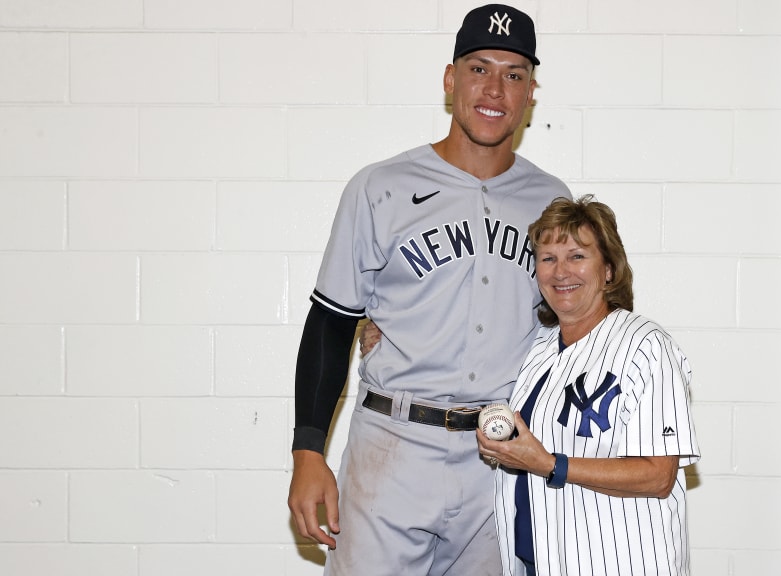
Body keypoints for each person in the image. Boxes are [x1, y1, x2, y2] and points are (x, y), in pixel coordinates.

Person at [286, 4, 570, 576]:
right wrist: (308, 451)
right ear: (450, 78)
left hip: (500, 458)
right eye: (479, 68)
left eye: (514, 74)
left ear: (531, 93)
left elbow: (572, 325)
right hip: (393, 447)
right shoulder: (381, 187)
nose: (495, 88)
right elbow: (331, 323)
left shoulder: (551, 199)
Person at [476, 195, 701, 576]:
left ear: (609, 269)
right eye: (548, 259)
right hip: (538, 563)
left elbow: (658, 475)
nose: (560, 271)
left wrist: (549, 465)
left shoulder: (645, 345)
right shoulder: (538, 347)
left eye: (577, 256)